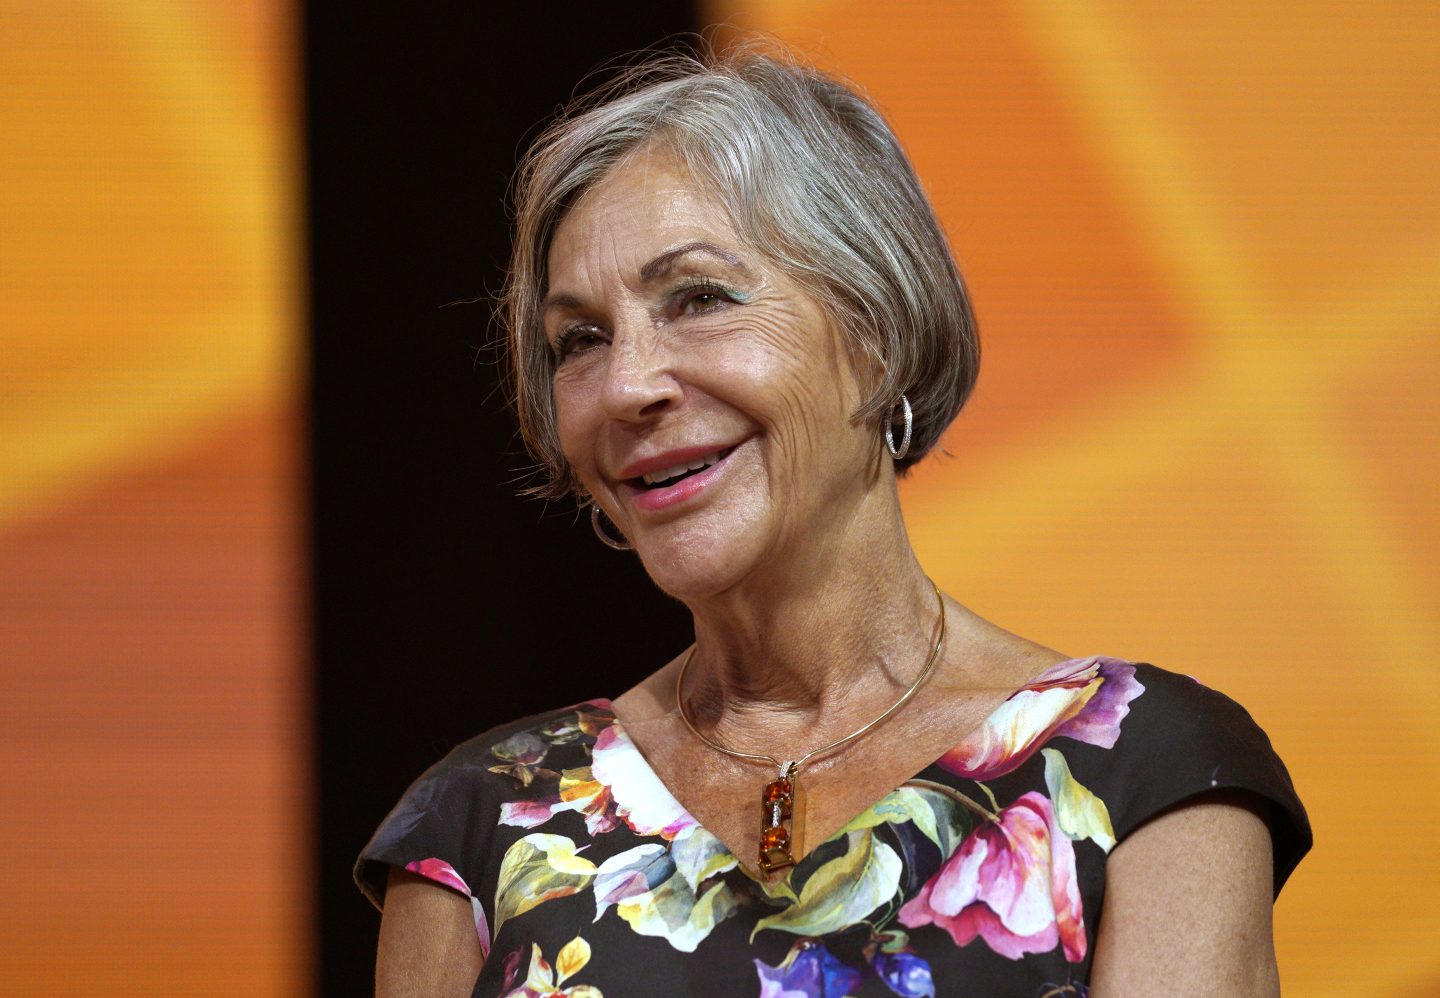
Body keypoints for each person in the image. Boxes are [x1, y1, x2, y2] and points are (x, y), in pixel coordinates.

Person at [356, 44, 1310, 997]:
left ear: (879, 330)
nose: (627, 386)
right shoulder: (482, 826)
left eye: (699, 299)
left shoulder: (1146, 776)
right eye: (581, 341)